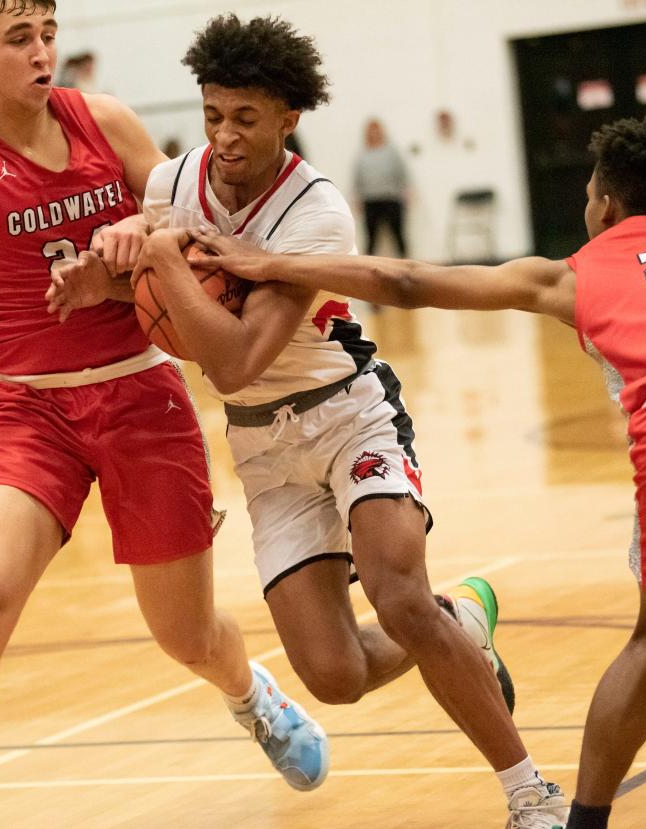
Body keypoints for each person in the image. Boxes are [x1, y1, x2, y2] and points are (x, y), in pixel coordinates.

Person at [191, 114, 646, 828]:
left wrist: (273, 262)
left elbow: (404, 279)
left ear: (607, 206)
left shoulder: (574, 273)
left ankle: (580, 819)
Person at [53, 15, 567, 829]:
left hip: (347, 416)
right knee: (335, 675)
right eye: (213, 114)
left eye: (245, 119)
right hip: (261, 443)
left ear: (289, 117)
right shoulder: (170, 187)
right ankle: (464, 613)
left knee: (398, 597)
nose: (223, 135)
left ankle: (530, 793)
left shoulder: (315, 210)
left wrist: (154, 259)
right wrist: (104, 284)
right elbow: (180, 302)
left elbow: (232, 359)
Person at [0, 2, 329, 827]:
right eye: (20, 39)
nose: (42, 53)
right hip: (31, 412)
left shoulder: (104, 120)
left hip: (141, 392)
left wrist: (142, 226)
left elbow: (191, 208)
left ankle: (252, 695)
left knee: (186, 637)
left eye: (49, 35)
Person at [353, 118, 409, 257]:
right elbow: (357, 179)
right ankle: (368, 266)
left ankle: (405, 261)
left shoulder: (392, 152)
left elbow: (402, 173)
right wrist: (357, 198)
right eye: (371, 131)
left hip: (391, 198)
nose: (374, 134)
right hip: (370, 200)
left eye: (376, 131)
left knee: (398, 234)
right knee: (371, 237)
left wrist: (407, 192)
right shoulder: (362, 155)